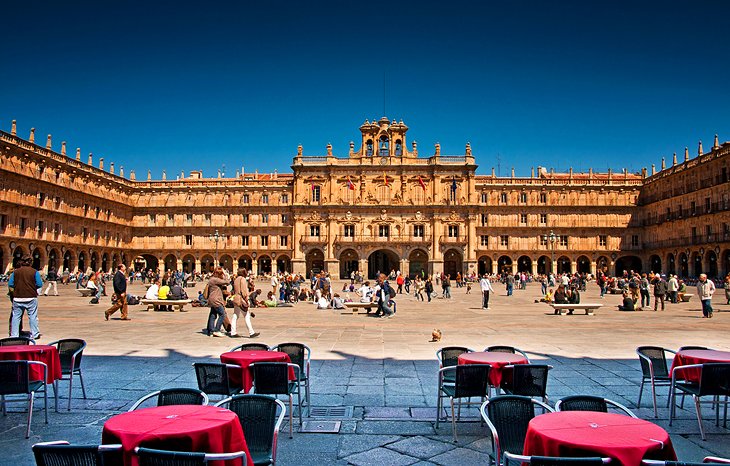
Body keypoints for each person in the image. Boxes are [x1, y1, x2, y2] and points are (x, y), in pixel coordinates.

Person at [9, 256, 43, 339]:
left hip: (17, 297)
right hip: (31, 297)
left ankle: (14, 335)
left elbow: (10, 284)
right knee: (32, 316)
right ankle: (35, 334)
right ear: (31, 262)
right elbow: (39, 284)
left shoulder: (15, 272)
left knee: (16, 317)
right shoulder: (34, 272)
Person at [231, 268, 258, 338]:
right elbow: (244, 291)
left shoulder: (236, 279)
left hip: (236, 298)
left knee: (235, 315)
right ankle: (251, 332)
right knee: (246, 315)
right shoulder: (242, 279)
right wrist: (246, 299)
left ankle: (233, 332)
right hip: (241, 299)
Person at [204, 267, 229, 336]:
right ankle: (217, 330)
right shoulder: (215, 280)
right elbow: (227, 282)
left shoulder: (212, 279)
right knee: (222, 314)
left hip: (212, 299)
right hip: (216, 300)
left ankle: (210, 330)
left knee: (213, 315)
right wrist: (226, 274)